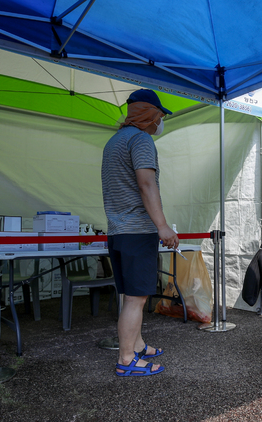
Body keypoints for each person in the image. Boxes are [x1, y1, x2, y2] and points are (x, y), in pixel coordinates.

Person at [101, 89, 179, 377]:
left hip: (117, 231)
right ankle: (126, 358)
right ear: (150, 114)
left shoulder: (115, 141)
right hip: (137, 230)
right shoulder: (141, 140)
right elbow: (147, 184)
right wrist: (162, 226)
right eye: (160, 115)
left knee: (129, 294)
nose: (161, 121)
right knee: (137, 298)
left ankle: (138, 344)